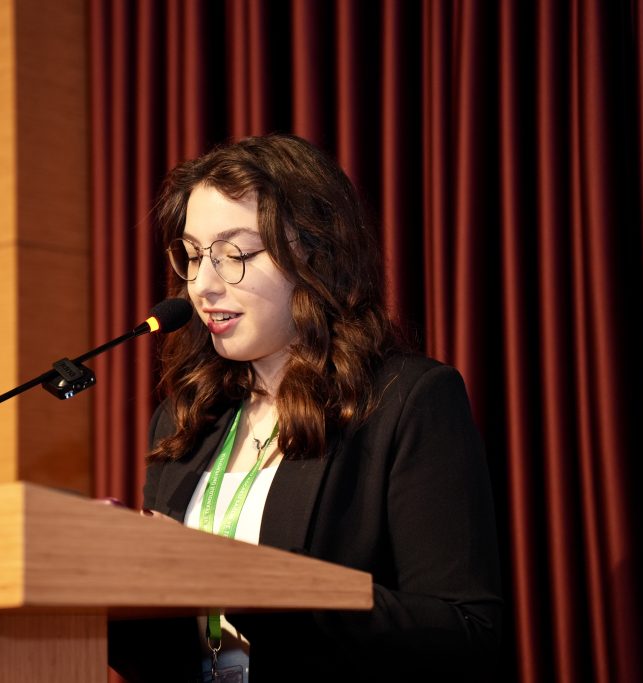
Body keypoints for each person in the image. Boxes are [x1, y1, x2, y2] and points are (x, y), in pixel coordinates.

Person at [109, 134, 502, 681]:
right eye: (194, 256)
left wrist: (239, 579)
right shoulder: (185, 418)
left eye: (235, 255)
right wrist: (107, 585)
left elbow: (466, 634)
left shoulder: (405, 401)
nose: (202, 286)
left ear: (315, 253)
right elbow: (164, 655)